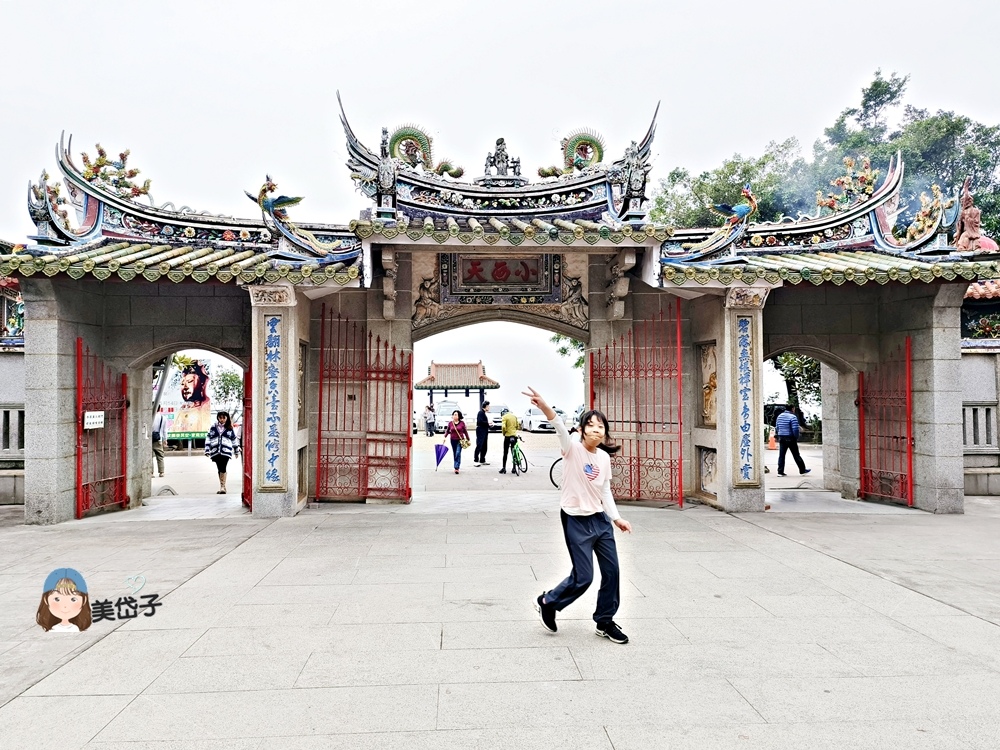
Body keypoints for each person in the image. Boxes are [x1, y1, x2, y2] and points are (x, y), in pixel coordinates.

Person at [524, 387, 632, 645]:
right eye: (590, 425)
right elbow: (560, 427)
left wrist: (616, 518)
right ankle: (549, 601)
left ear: (605, 432)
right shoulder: (571, 448)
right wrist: (545, 407)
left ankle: (605, 621)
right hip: (575, 520)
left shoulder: (604, 458)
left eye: (600, 427)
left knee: (612, 572)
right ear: (582, 430)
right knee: (584, 577)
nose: (596, 430)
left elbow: (605, 490)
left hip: (600, 521)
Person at [36, 568, 92, 632]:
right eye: (57, 599)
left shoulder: (76, 629)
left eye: (73, 599)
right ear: (46, 600)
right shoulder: (52, 629)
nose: (65, 606)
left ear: (84, 601)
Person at [205, 411, 239, 494]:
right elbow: (208, 438)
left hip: (226, 451)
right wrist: (207, 449)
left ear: (226, 418)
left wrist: (236, 450)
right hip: (215, 451)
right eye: (220, 417)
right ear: (218, 418)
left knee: (223, 467)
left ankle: (222, 487)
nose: (222, 419)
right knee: (219, 468)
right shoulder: (213, 427)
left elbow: (234, 439)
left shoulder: (229, 428)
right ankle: (222, 486)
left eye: (224, 417)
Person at [775, 403, 810, 477]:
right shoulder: (793, 417)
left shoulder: (780, 416)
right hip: (790, 438)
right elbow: (795, 429)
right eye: (794, 408)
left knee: (781, 455)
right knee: (796, 455)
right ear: (792, 409)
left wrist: (780, 434)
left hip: (781, 437)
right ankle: (802, 470)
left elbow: (777, 427)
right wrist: (796, 437)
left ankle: (780, 472)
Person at [441, 410, 470, 474]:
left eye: (456, 414)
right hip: (453, 440)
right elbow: (447, 430)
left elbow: (465, 431)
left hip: (460, 440)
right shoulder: (450, 423)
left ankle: (456, 467)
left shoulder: (462, 423)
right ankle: (456, 466)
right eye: (453, 414)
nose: (454, 416)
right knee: (455, 453)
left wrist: (468, 439)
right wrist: (444, 437)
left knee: (458, 453)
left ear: (459, 416)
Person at [499, 407, 521, 475]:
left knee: (505, 453)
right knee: (513, 452)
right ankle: (514, 468)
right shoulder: (514, 416)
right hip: (514, 436)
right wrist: (514, 430)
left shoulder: (504, 417)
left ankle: (504, 468)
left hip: (507, 436)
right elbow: (518, 426)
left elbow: (503, 427)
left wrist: (504, 433)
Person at [151, 407, 167, 478]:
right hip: (158, 439)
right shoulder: (163, 418)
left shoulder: (150, 417)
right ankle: (161, 472)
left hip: (149, 439)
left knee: (149, 457)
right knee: (160, 456)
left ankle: (151, 473)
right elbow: (165, 430)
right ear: (159, 409)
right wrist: (165, 439)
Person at [474, 401, 491, 466]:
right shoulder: (480, 413)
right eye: (488, 406)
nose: (489, 407)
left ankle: (482, 459)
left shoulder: (484, 413)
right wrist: (487, 423)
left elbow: (484, 422)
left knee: (484, 445)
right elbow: (479, 421)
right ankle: (475, 460)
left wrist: (489, 425)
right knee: (479, 445)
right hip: (480, 430)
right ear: (485, 406)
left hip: (485, 430)